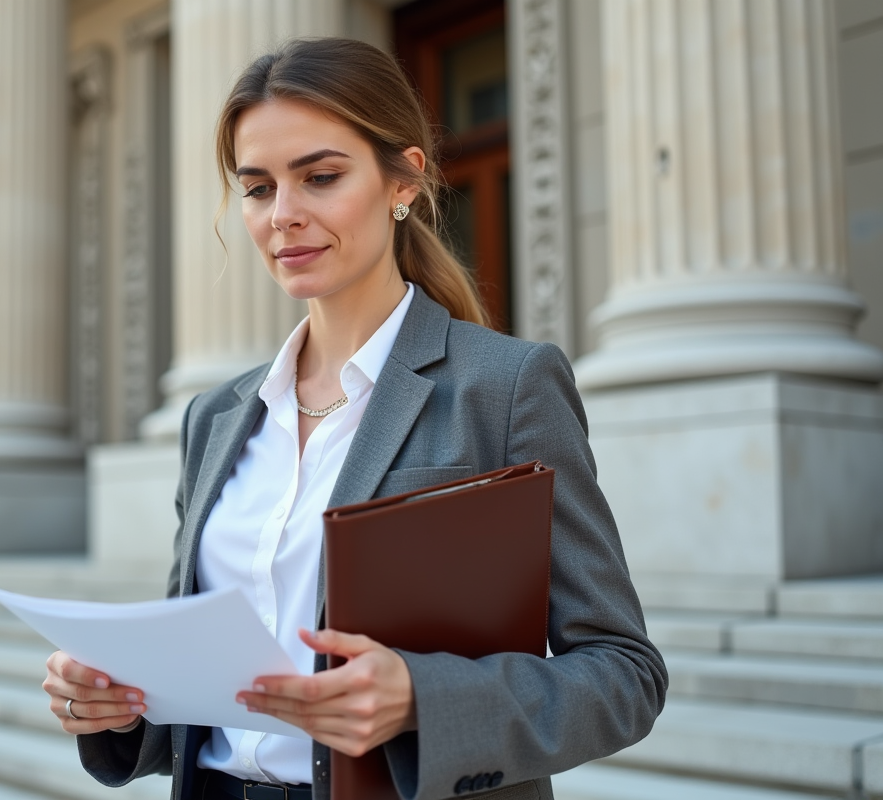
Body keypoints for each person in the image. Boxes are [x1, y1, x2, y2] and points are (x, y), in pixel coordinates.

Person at [42, 37, 667, 800]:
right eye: (258, 188)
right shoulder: (216, 417)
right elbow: (218, 694)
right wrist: (119, 703)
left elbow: (623, 676)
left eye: (321, 177)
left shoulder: (504, 387)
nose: (285, 216)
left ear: (403, 180)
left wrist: (420, 699)